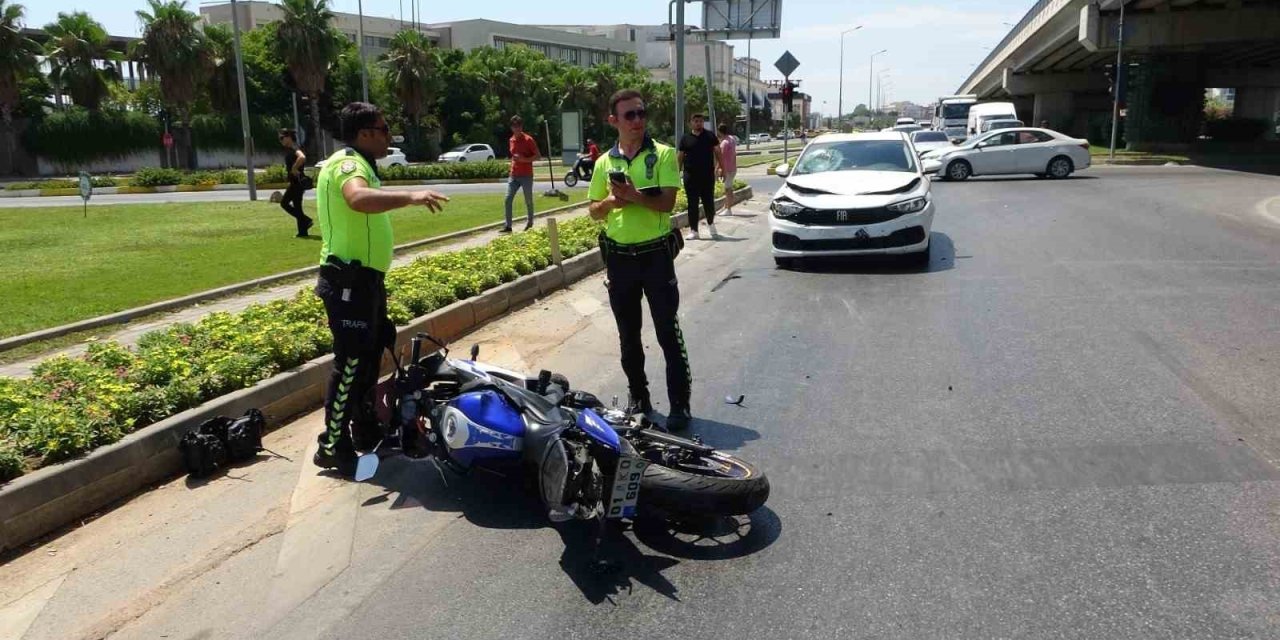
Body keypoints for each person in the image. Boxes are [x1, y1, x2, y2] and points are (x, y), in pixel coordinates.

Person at [311, 102, 449, 476]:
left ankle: (364, 430)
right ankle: (331, 445)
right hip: (347, 284)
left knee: (370, 357)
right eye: (384, 128)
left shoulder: (361, 164)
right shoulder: (348, 165)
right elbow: (357, 199)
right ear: (364, 133)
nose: (389, 135)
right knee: (352, 363)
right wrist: (411, 195)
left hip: (365, 281)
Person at [588, 88, 693, 430]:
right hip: (619, 261)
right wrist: (608, 204)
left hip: (656, 258)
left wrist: (633, 196)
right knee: (628, 336)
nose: (637, 120)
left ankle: (680, 404)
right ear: (613, 120)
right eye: (629, 115)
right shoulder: (605, 161)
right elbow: (593, 211)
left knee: (667, 332)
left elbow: (667, 203)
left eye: (641, 113)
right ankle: (639, 399)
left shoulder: (661, 154)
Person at [677, 113, 722, 240]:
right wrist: (676, 173)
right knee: (692, 203)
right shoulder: (685, 138)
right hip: (690, 176)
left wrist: (721, 168)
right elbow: (680, 157)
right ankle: (694, 230)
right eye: (696, 121)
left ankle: (711, 224)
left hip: (707, 176)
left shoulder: (710, 136)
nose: (698, 123)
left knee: (708, 202)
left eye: (701, 121)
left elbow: (718, 152)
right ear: (691, 123)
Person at [503, 115, 540, 233]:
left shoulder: (528, 140)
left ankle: (530, 223)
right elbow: (514, 156)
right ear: (511, 128)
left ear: (521, 126)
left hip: (526, 175)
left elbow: (538, 156)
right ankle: (508, 226)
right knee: (508, 199)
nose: (516, 129)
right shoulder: (511, 140)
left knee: (528, 200)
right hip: (514, 175)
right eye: (514, 126)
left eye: (518, 126)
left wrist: (524, 159)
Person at [278, 129, 313, 238]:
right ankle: (303, 232)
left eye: (282, 138)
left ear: (289, 137)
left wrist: (294, 168)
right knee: (297, 206)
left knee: (284, 203)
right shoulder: (290, 149)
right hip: (295, 181)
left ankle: (305, 220)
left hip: (297, 182)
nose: (281, 141)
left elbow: (302, 157)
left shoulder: (294, 147)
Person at [717, 124, 738, 217]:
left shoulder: (724, 143)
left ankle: (728, 209)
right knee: (729, 188)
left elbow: (720, 158)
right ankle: (727, 206)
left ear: (720, 132)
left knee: (727, 189)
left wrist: (717, 169)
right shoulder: (732, 139)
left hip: (727, 169)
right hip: (733, 167)